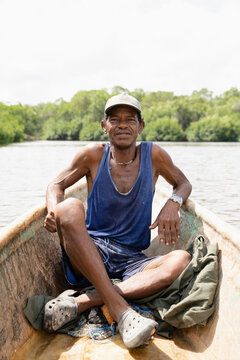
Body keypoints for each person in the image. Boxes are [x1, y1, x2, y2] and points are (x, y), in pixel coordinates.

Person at [43, 93, 192, 348]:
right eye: (115, 119)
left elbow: (183, 183)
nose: (122, 125)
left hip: (132, 260)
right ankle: (122, 312)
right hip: (91, 251)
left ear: (140, 126)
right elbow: (56, 184)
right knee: (69, 208)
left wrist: (173, 203)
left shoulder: (154, 155)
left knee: (181, 259)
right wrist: (53, 210)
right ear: (104, 126)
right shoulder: (92, 155)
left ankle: (86, 301)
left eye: (130, 120)